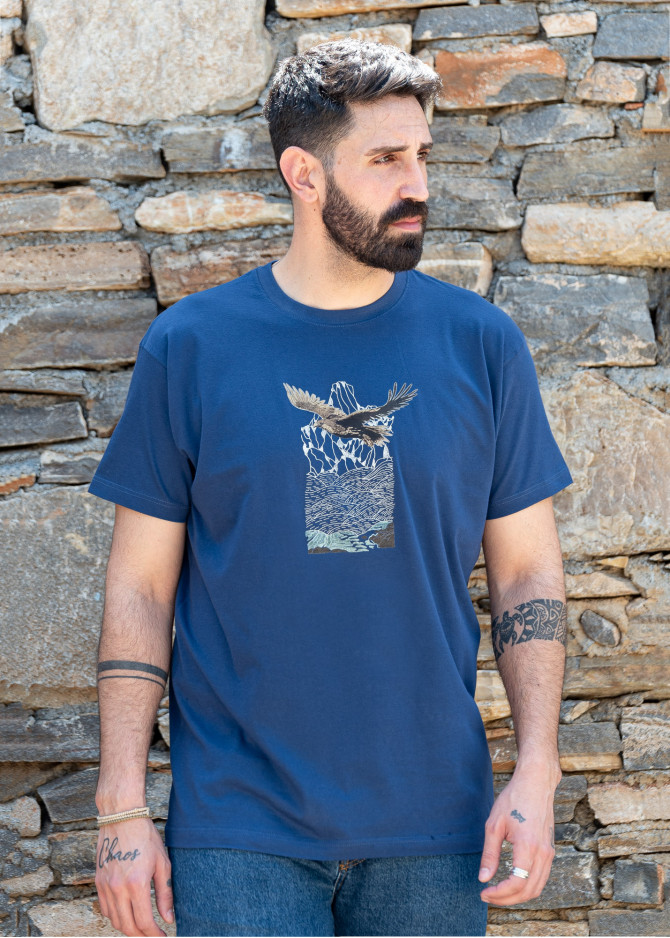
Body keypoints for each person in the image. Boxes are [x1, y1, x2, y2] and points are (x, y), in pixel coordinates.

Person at [88, 38, 573, 938]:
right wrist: (121, 807)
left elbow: (526, 576)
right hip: (240, 829)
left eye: (422, 155)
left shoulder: (481, 345)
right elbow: (140, 587)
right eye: (385, 159)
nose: (416, 184)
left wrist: (538, 769)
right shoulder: (192, 348)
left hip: (436, 828)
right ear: (303, 173)